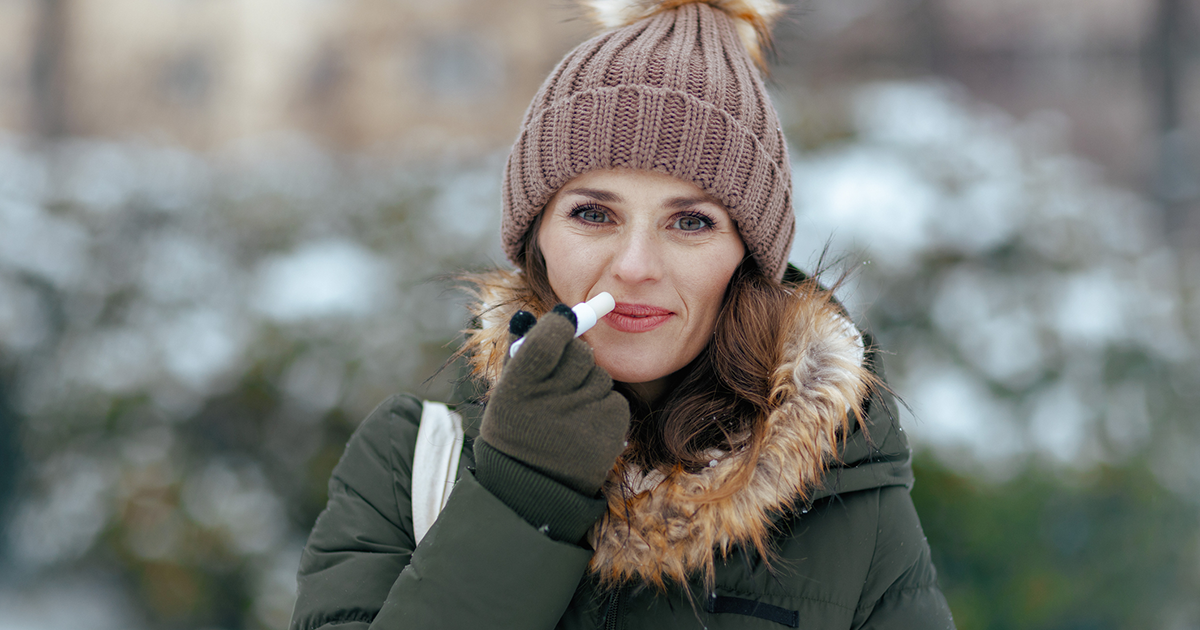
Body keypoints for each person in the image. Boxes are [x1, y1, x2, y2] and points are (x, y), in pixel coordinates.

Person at [289, 1, 956, 628]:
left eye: (691, 222)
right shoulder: (409, 460)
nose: (636, 265)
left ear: (746, 259)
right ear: (537, 240)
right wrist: (519, 495)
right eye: (593, 214)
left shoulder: (845, 496)